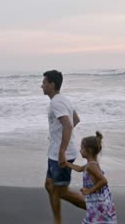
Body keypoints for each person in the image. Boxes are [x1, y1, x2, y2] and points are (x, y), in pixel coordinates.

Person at [42, 70, 86, 224]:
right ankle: (57, 221)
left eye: (44, 83)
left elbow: (68, 124)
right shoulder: (63, 99)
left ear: (52, 85)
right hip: (55, 152)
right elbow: (76, 119)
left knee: (61, 191)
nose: (42, 86)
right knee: (49, 185)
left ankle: (98, 208)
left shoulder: (56, 102)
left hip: (61, 153)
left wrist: (62, 151)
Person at [66, 131, 117, 224]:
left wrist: (89, 190)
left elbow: (104, 181)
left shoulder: (91, 166)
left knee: (94, 221)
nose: (79, 150)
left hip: (98, 202)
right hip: (96, 202)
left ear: (89, 150)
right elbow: (80, 168)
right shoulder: (90, 164)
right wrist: (67, 164)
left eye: (82, 148)